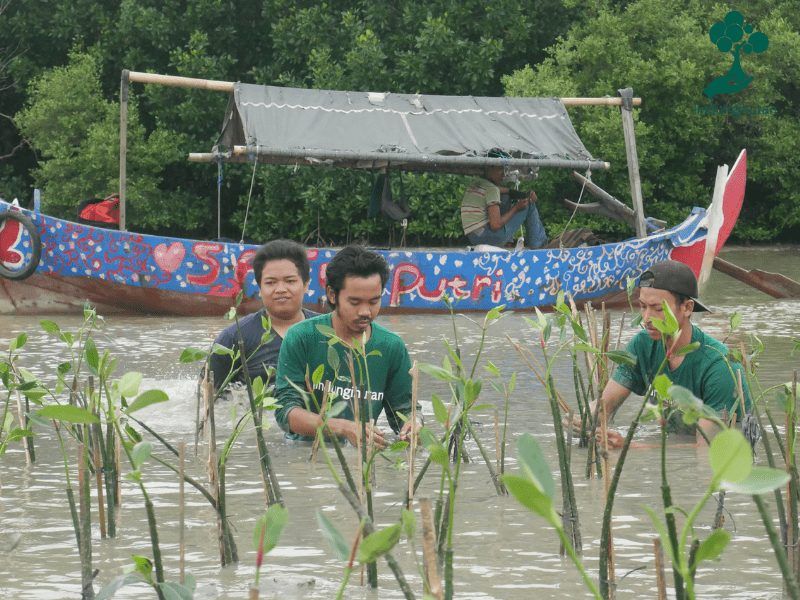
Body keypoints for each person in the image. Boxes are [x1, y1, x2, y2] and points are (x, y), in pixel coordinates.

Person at [592, 260, 751, 446]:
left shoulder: (720, 366)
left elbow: (707, 447)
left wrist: (630, 446)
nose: (646, 318)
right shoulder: (643, 345)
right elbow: (605, 405)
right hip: (674, 442)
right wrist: (585, 419)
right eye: (643, 306)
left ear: (687, 308)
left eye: (658, 309)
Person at [274, 245, 420, 447]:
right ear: (332, 295)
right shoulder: (301, 337)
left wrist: (414, 423)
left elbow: (404, 411)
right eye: (354, 302)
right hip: (305, 452)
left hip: (362, 457)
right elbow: (285, 412)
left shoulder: (391, 347)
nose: (365, 312)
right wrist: (343, 427)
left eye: (374, 301)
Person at [208, 239, 316, 391]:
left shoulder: (327, 329)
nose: (281, 289)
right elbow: (207, 397)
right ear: (260, 288)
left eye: (290, 281)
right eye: (271, 283)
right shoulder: (234, 338)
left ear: (306, 285)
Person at [460, 166, 547, 249]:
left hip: (474, 237)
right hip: (487, 237)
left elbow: (508, 191)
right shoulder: (492, 189)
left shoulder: (478, 183)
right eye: (500, 170)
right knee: (529, 205)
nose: (504, 174)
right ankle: (539, 245)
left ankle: (508, 240)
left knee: (505, 196)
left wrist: (525, 195)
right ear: (490, 168)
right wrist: (516, 207)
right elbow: (495, 225)